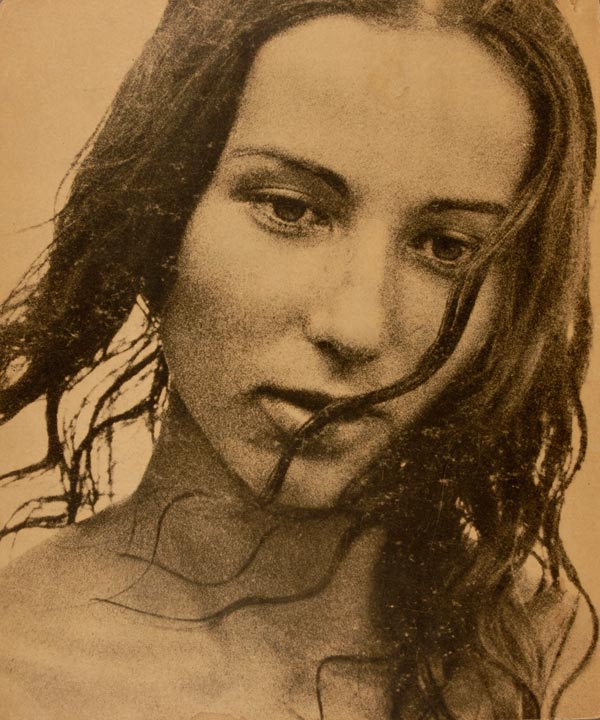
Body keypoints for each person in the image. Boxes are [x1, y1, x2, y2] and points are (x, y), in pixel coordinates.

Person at [0, 0, 597, 718]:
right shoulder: (18, 671)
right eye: (289, 209)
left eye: (447, 248)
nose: (356, 327)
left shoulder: (559, 667)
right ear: (159, 216)